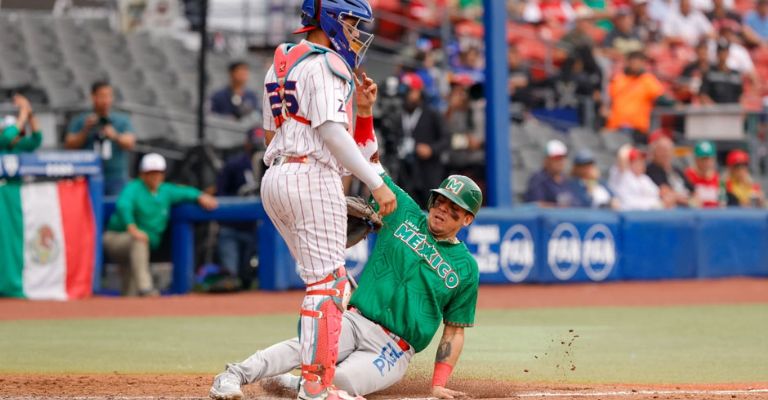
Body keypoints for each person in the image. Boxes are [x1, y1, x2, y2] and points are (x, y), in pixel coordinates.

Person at [210, 113, 482, 400]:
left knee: (341, 382)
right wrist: (365, 112)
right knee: (303, 346)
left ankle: (295, 385)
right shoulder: (403, 211)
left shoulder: (465, 268)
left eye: (453, 208)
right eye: (440, 200)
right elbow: (370, 162)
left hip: (394, 350)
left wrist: (438, 384)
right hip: (356, 320)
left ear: (466, 219)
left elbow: (453, 332)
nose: (442, 208)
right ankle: (233, 374)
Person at [244, 0, 398, 399]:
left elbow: (268, 136)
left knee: (333, 284)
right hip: (311, 173)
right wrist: (374, 184)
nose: (356, 33)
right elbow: (331, 131)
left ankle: (314, 374)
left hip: (275, 175)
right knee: (327, 285)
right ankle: (316, 386)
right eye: (351, 22)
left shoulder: (282, 64)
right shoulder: (330, 64)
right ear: (330, 19)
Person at [103, 153, 218, 296]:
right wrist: (132, 228)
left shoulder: (165, 190)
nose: (155, 176)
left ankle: (131, 307)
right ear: (142, 174)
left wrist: (201, 196)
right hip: (117, 238)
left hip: (142, 247)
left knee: (130, 290)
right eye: (151, 173)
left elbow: (185, 192)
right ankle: (146, 288)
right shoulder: (134, 187)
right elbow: (123, 205)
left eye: (158, 173)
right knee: (139, 242)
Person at [65, 81, 136, 196]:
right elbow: (69, 144)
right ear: (93, 97)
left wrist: (115, 135)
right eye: (102, 96)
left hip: (115, 176)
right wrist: (86, 130)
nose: (106, 100)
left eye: (109, 96)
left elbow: (130, 143)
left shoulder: (122, 119)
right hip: (87, 175)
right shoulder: (81, 119)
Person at [391, 72, 450, 208]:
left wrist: (431, 149)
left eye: (410, 91)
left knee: (430, 208)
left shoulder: (432, 114)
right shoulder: (397, 115)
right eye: (404, 92)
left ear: (419, 92)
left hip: (428, 172)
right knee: (404, 209)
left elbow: (446, 139)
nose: (406, 96)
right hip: (404, 171)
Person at [215, 130, 261, 290]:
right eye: (254, 141)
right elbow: (220, 194)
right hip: (232, 226)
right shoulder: (234, 164)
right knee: (230, 277)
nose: (257, 145)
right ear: (246, 143)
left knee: (248, 277)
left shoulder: (271, 163)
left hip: (256, 227)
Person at [605, 51, 665, 144]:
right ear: (627, 63)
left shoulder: (647, 79)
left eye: (638, 63)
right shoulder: (618, 79)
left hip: (637, 128)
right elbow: (609, 99)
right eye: (633, 62)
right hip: (616, 125)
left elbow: (661, 97)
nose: (635, 65)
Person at [524, 139, 575, 207]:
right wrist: (559, 207)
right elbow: (537, 205)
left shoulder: (567, 180)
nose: (560, 162)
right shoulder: (538, 179)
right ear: (546, 160)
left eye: (562, 158)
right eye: (556, 158)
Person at [646, 135, 692, 207]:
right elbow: (664, 191)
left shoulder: (677, 170)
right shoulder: (651, 170)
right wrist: (687, 200)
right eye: (662, 150)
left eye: (668, 150)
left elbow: (694, 191)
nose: (666, 154)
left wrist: (691, 200)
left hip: (687, 208)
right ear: (654, 153)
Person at [699, 40, 743, 104]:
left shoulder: (735, 74)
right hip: (715, 111)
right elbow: (703, 94)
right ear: (717, 54)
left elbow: (741, 95)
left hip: (733, 111)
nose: (723, 54)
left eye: (725, 52)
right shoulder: (709, 73)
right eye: (720, 52)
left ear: (728, 54)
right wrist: (715, 109)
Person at [684, 140, 721, 208]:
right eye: (703, 159)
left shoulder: (717, 177)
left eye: (708, 158)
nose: (706, 162)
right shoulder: (688, 175)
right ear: (696, 159)